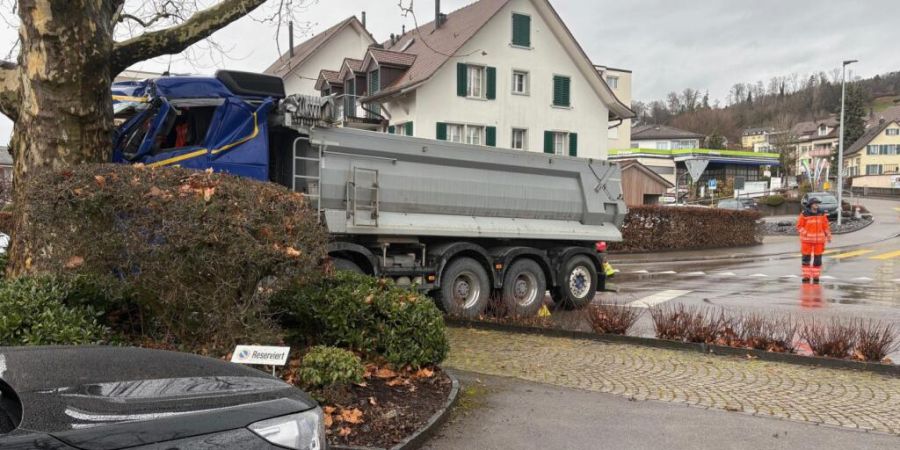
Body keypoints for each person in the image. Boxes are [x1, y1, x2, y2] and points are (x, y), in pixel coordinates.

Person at [797, 197, 832, 283]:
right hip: (807, 241)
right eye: (815, 203)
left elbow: (825, 226)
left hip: (819, 242)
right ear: (810, 204)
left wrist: (828, 235)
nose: (817, 204)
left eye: (817, 203)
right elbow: (799, 226)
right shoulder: (804, 214)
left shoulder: (821, 214)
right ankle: (806, 276)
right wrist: (806, 233)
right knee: (806, 259)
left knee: (818, 260)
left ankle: (816, 276)